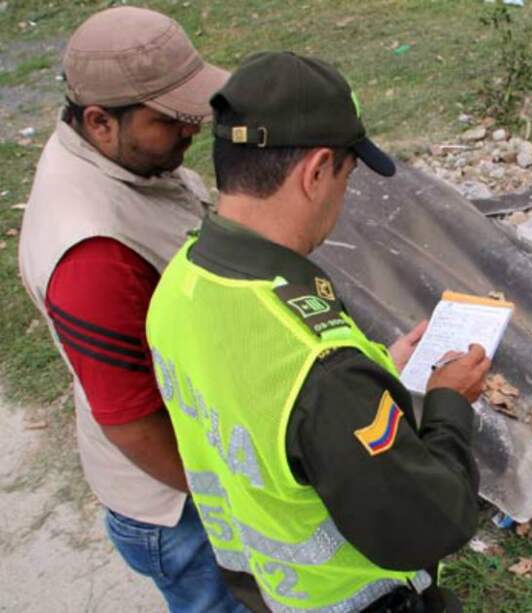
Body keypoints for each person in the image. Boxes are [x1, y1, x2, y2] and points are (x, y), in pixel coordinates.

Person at [145, 51, 490, 613]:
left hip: (263, 588)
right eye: (347, 177)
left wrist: (376, 368)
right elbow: (432, 523)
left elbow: (260, 400)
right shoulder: (326, 372)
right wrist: (450, 401)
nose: (343, 196)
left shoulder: (181, 279)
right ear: (315, 172)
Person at [18, 7, 247, 612]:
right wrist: (226, 499)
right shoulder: (93, 254)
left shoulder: (124, 157)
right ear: (99, 121)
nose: (191, 131)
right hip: (180, 514)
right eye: (170, 120)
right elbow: (130, 421)